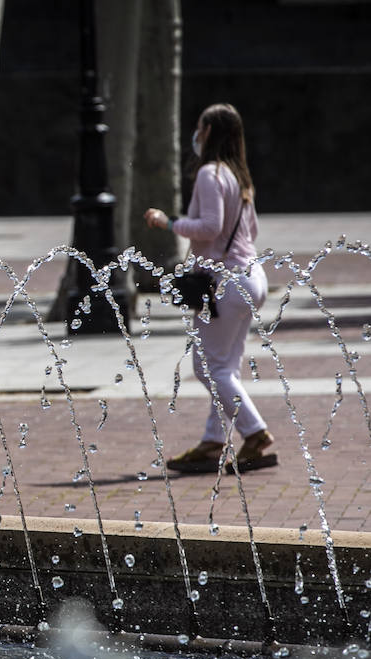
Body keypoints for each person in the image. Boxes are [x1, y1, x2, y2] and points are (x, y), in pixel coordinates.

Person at [145, 103, 276, 474]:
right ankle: (214, 442)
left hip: (226, 283)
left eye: (200, 127)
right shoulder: (239, 176)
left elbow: (210, 227)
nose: (196, 134)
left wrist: (168, 222)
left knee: (206, 369)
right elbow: (249, 233)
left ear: (210, 132)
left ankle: (255, 433)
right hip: (251, 277)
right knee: (225, 368)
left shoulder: (209, 174)